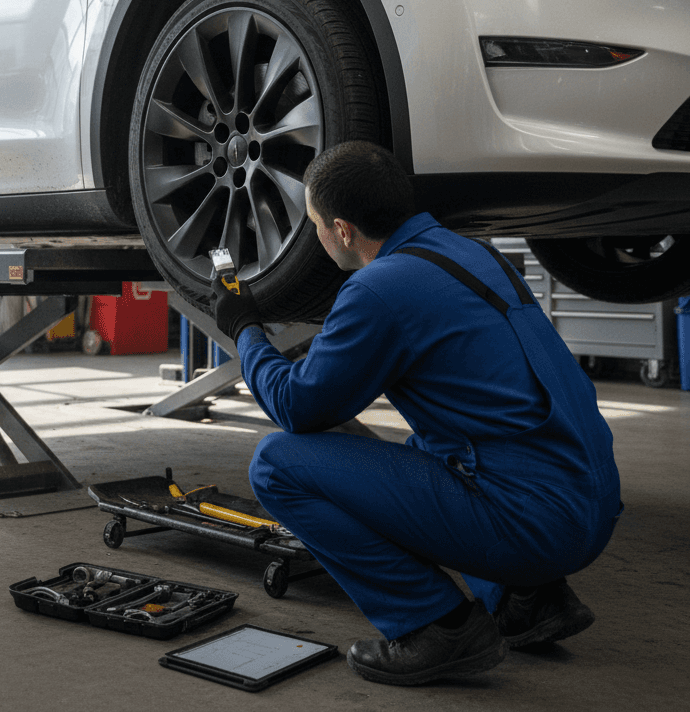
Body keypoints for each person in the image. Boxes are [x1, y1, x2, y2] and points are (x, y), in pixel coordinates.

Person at [212, 141, 622, 687]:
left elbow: (297, 406)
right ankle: (530, 600)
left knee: (276, 465)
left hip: (537, 526)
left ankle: (437, 626)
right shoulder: (475, 254)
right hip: (591, 502)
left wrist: (245, 329)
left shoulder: (378, 289)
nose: (314, 235)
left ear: (343, 230)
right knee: (427, 447)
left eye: (315, 225)